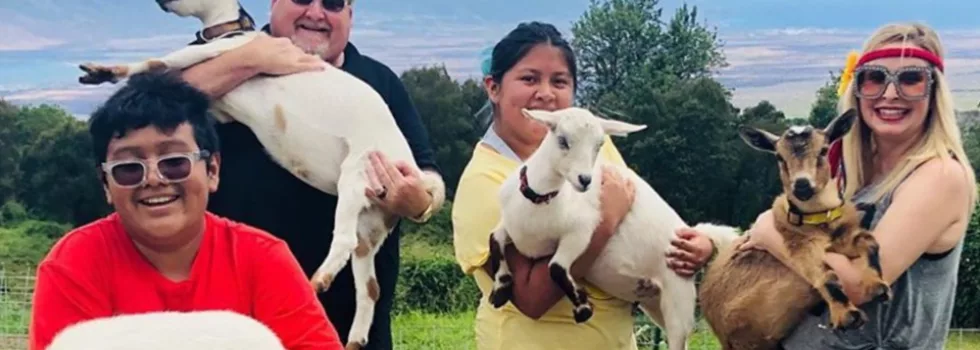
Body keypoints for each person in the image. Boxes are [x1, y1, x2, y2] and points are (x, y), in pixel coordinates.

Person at [178, 0, 441, 349]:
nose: (316, 13)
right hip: (239, 315)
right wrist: (252, 60)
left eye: (332, 3)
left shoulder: (378, 82)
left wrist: (419, 200)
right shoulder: (224, 56)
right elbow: (154, 105)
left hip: (349, 327)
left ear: (351, 14)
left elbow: (428, 174)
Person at [27, 70, 344, 350]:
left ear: (213, 171)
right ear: (107, 185)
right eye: (128, 168)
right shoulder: (74, 264)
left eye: (174, 162)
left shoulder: (263, 259)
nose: (153, 179)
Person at [734, 22, 976, 349]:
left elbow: (858, 286)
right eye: (875, 78)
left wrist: (769, 233)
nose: (891, 94)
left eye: (910, 79)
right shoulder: (852, 170)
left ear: (934, 92)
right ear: (857, 89)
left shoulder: (940, 176)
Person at [451, 21, 642, 350]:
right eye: (529, 78)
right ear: (493, 88)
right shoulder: (486, 180)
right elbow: (530, 297)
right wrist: (605, 220)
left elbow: (637, 218)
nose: (546, 94)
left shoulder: (592, 145)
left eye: (560, 81)